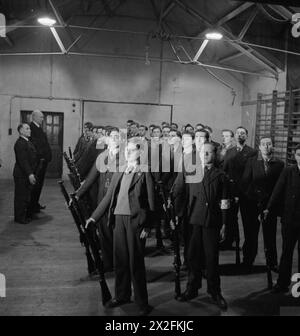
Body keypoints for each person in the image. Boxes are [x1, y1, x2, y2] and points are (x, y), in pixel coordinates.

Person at [85, 138, 155, 316]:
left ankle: (142, 302)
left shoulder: (145, 172)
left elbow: (152, 203)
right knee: (121, 261)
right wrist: (93, 218)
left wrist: (147, 225)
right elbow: (108, 197)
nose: (127, 153)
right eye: (126, 150)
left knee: (135, 263)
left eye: (131, 150)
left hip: (135, 223)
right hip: (118, 220)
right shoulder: (120, 170)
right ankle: (122, 295)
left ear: (140, 152)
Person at [177, 142, 229, 310]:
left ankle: (215, 291)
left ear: (215, 155)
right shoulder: (193, 172)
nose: (205, 155)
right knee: (192, 257)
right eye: (202, 152)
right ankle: (192, 288)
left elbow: (225, 203)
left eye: (208, 152)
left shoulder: (221, 176)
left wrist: (224, 223)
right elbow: (186, 196)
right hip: (194, 220)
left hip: (211, 222)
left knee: (211, 258)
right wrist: (179, 216)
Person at [241, 137, 284, 269]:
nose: (266, 146)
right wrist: (253, 198)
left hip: (269, 205)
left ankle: (272, 263)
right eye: (263, 144)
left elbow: (280, 187)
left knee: (270, 235)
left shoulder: (279, 164)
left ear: (273, 146)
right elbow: (245, 182)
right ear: (259, 147)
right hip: (253, 204)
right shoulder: (252, 162)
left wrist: (271, 204)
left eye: (269, 144)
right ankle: (248, 260)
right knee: (250, 234)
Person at [264, 144, 300, 293]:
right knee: (287, 252)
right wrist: (268, 208)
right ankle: (282, 282)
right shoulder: (288, 171)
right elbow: (277, 190)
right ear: (295, 156)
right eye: (298, 154)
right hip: (290, 219)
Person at [223, 126, 257, 258]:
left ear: (246, 136)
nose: (239, 135)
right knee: (230, 220)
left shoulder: (252, 152)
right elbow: (225, 171)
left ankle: (248, 255)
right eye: (237, 133)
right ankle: (229, 242)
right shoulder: (229, 151)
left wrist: (243, 191)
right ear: (235, 136)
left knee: (248, 225)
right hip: (231, 192)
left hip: (246, 193)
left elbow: (252, 174)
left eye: (243, 133)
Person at [13, 124, 38, 224]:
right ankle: (19, 218)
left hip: (25, 173)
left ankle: (22, 215)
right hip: (21, 174)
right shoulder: (20, 143)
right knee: (21, 196)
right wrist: (30, 174)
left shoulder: (26, 141)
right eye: (27, 128)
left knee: (25, 195)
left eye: (29, 128)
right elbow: (23, 161)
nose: (30, 130)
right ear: (21, 131)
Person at [29, 110, 52, 213]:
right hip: (38, 161)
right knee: (35, 185)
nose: (42, 119)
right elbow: (35, 145)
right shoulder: (31, 128)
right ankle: (32, 207)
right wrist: (42, 156)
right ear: (34, 117)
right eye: (41, 117)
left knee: (39, 184)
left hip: (42, 161)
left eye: (42, 117)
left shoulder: (38, 127)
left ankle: (35, 204)